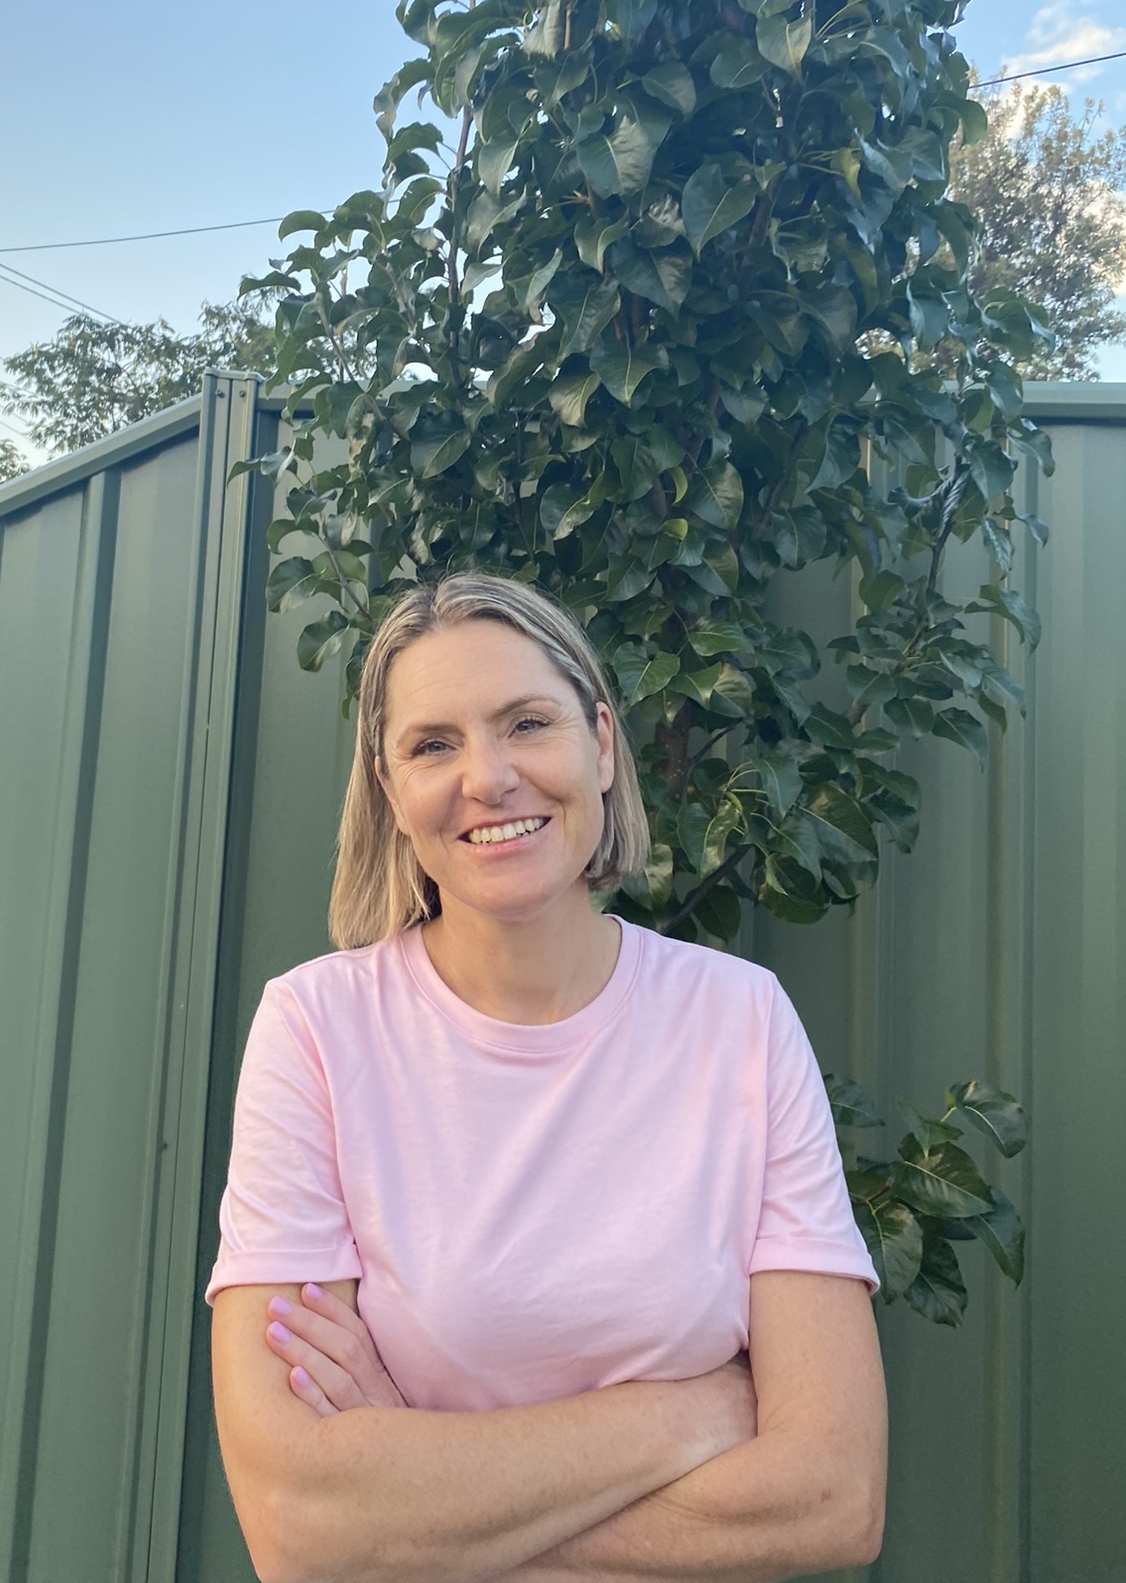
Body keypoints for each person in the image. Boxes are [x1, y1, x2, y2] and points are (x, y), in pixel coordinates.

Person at [207, 572, 887, 1583]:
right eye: (432, 743)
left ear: (601, 744)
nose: (488, 776)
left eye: (528, 721)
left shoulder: (739, 1021)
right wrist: (691, 1411)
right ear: (392, 791)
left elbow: (831, 1496)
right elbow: (300, 1523)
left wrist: (414, 1502)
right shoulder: (316, 1027)